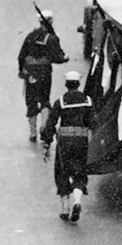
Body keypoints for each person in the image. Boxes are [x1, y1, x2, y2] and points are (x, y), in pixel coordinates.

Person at [40, 70, 93, 222]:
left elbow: (51, 124)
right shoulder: (88, 101)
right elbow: (92, 122)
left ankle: (65, 208)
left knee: (62, 172)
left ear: (66, 85)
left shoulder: (61, 101)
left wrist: (47, 143)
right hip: (81, 140)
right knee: (79, 171)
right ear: (78, 84)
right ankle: (77, 201)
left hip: (64, 141)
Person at [17, 10, 67, 141]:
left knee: (31, 101)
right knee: (44, 99)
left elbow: (21, 55)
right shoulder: (51, 38)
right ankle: (43, 127)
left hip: (30, 73)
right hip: (44, 73)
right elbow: (57, 57)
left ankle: (33, 132)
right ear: (51, 22)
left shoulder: (31, 36)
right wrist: (64, 58)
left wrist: (21, 71)